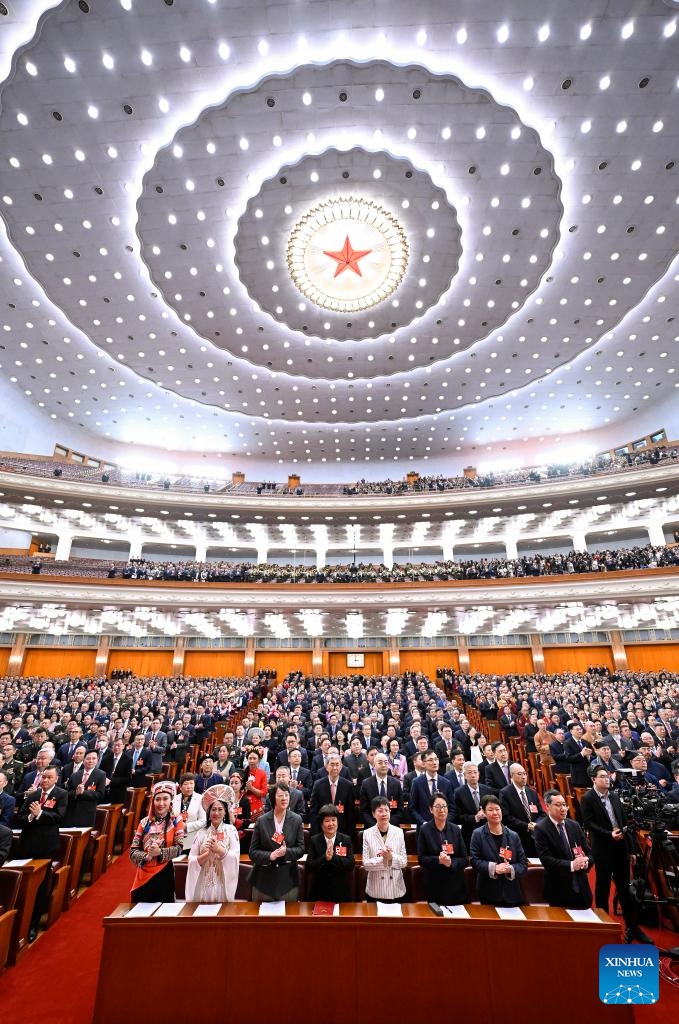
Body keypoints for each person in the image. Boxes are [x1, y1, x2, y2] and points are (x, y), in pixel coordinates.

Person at [580, 765, 651, 943]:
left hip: (620, 847)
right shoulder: (588, 798)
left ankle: (632, 927)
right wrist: (608, 834)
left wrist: (632, 849)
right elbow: (588, 823)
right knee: (603, 887)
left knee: (624, 889)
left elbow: (624, 822)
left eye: (608, 776)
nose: (607, 779)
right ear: (593, 779)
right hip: (602, 848)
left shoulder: (613, 795)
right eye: (603, 777)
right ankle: (604, 927)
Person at [16, 764, 67, 941]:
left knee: (39, 887)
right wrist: (30, 816)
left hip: (46, 846)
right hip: (26, 845)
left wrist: (40, 814)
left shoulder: (61, 794)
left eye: (49, 778)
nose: (45, 780)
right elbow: (20, 817)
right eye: (43, 777)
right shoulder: (34, 794)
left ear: (56, 779)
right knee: (23, 884)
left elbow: (59, 817)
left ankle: (33, 924)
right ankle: (18, 922)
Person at [534, 789, 593, 909]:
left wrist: (586, 861)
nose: (563, 808)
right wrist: (572, 865)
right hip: (558, 889)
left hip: (581, 888)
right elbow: (546, 860)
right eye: (558, 805)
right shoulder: (541, 829)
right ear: (548, 806)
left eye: (565, 805)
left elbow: (589, 852)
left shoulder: (574, 825)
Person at [129, 780, 185, 903]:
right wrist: (147, 856)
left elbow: (179, 848)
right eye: (157, 799)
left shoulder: (176, 821)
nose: (161, 803)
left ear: (171, 801)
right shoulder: (144, 822)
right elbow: (132, 851)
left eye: (165, 799)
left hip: (165, 874)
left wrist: (160, 852)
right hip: (143, 875)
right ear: (153, 801)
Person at [248, 782, 305, 902]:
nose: (284, 798)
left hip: (288, 879)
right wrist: (270, 856)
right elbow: (253, 852)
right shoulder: (262, 821)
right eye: (280, 795)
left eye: (286, 795)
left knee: (288, 918)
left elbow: (301, 849)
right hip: (263, 880)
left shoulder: (296, 820)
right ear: (273, 798)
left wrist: (286, 852)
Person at [469, 795, 527, 907]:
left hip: (512, 893)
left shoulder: (513, 835)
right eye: (490, 810)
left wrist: (510, 869)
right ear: (484, 813)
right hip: (488, 893)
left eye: (497, 809)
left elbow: (523, 865)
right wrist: (494, 868)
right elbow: (474, 861)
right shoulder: (477, 834)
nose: (495, 813)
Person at [185, 789, 240, 902]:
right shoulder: (201, 833)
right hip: (203, 882)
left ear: (225, 812)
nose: (216, 813)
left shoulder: (231, 830)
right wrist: (207, 855)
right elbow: (191, 860)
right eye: (213, 809)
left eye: (220, 809)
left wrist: (220, 850)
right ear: (208, 813)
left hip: (222, 883)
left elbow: (235, 857)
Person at [417, 792, 468, 905]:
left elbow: (464, 859)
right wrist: (438, 860)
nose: (442, 810)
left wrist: (450, 863)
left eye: (444, 806)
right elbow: (422, 859)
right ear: (431, 809)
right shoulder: (425, 830)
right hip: (434, 885)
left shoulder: (456, 829)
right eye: (438, 807)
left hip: (455, 885)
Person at [361, 796, 407, 903]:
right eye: (380, 811)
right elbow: (366, 864)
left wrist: (391, 858)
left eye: (387, 810)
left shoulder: (399, 832)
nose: (384, 814)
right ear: (373, 814)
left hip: (396, 889)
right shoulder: (367, 833)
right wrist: (384, 859)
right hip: (375, 890)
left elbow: (404, 862)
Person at [306, 803, 355, 902]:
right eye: (327, 821)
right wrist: (325, 858)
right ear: (321, 824)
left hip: (341, 892)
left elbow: (350, 865)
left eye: (334, 820)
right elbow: (309, 867)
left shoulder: (345, 839)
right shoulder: (315, 840)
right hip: (319, 892)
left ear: (338, 822)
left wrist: (333, 857)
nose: (331, 824)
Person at [499, 763, 545, 857]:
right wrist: (526, 826)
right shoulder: (505, 793)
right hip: (518, 836)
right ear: (512, 776)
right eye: (520, 774)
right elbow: (506, 817)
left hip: (536, 837)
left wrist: (537, 824)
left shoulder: (532, 792)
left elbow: (542, 813)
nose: (523, 777)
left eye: (525, 774)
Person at [409, 750, 454, 828]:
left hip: (443, 828)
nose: (434, 762)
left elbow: (452, 808)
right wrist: (423, 822)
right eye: (430, 760)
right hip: (424, 828)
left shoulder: (446, 783)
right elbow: (412, 808)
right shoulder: (417, 782)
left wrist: (445, 821)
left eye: (436, 759)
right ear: (423, 763)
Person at [359, 752, 404, 828]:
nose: (383, 765)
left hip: (392, 827)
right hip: (372, 827)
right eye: (380, 763)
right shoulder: (366, 784)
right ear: (374, 765)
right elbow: (364, 811)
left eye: (386, 763)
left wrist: (388, 825)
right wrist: (376, 826)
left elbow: (400, 810)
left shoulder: (396, 784)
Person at [65, 749, 106, 827]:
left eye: (93, 758)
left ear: (97, 760)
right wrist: (76, 793)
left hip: (88, 814)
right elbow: (66, 794)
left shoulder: (101, 774)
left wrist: (84, 792)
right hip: (72, 813)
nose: (91, 761)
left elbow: (100, 794)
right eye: (88, 758)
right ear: (83, 760)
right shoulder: (75, 775)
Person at [172, 772, 204, 851]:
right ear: (180, 786)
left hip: (193, 839)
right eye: (186, 784)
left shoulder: (200, 799)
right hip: (176, 839)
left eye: (191, 783)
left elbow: (204, 821)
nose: (189, 786)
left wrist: (186, 826)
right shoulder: (174, 799)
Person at [228, 771, 251, 836]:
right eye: (231, 783)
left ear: (241, 784)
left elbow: (247, 821)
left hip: (240, 833)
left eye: (236, 783)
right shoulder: (225, 800)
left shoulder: (245, 800)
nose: (233, 785)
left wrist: (235, 821)